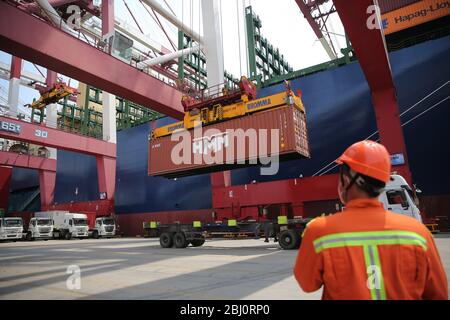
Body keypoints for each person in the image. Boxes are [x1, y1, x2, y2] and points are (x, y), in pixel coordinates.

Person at [293, 140, 448, 300]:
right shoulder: (418, 234)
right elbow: (438, 294)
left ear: (346, 181)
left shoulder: (320, 231)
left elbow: (307, 284)